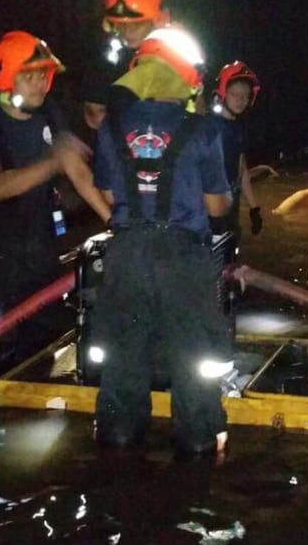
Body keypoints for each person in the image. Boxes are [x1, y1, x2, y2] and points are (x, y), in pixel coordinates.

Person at [91, 26, 233, 456]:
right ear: (186, 78)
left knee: (124, 352)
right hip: (184, 260)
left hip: (127, 254)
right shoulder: (204, 129)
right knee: (194, 357)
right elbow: (216, 207)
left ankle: (117, 436)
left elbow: (110, 194)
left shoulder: (110, 127)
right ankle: (198, 439)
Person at [0, 31, 111, 327]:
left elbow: (77, 170)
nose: (41, 83)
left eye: (45, 75)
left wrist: (116, 222)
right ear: (6, 78)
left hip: (40, 266)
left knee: (41, 355)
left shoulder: (49, 115)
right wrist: (54, 159)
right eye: (31, 76)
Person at [80, 0, 170, 131]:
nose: (127, 31)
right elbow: (94, 116)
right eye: (121, 24)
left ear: (158, 20)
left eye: (136, 24)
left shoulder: (177, 57)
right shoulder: (104, 58)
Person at [205, 61, 264, 241]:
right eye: (235, 94)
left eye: (245, 96)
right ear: (223, 93)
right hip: (210, 208)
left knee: (229, 254)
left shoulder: (238, 127)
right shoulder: (208, 128)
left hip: (231, 203)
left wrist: (254, 207)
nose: (241, 100)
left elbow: (241, 167)